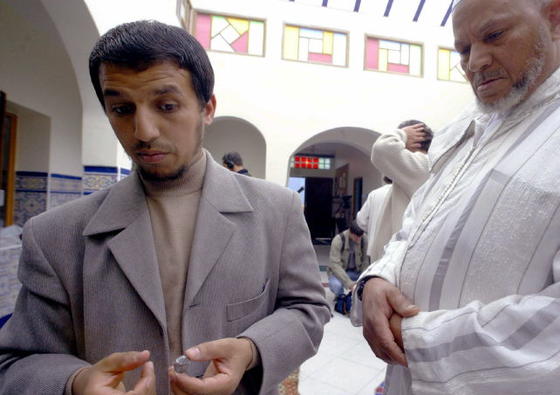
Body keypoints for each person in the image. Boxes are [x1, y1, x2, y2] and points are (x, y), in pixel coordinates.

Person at [354, 0, 560, 394]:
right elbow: (416, 227)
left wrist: (417, 338)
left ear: (555, 20)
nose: (476, 63)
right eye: (464, 50)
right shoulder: (459, 134)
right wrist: (379, 277)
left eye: (494, 36)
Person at [0, 21, 330, 395]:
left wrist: (251, 349)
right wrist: (75, 382)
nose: (144, 131)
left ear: (207, 109)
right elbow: (18, 361)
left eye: (167, 105)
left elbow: (308, 308)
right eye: (122, 108)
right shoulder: (55, 235)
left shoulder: (276, 210)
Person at [366, 120, 432, 263]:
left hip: (397, 261)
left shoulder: (423, 166)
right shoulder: (419, 168)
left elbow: (381, 149)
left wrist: (402, 134)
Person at [328, 221, 369, 297]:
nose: (358, 239)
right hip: (340, 272)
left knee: (369, 283)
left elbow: (365, 261)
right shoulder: (338, 240)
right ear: (350, 232)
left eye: (360, 236)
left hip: (356, 272)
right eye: (356, 237)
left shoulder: (364, 239)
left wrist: (363, 279)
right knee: (336, 285)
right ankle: (341, 297)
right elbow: (334, 265)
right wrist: (349, 284)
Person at [356, 177, 392, 260]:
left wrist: (372, 229)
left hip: (375, 246)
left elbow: (361, 220)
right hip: (397, 248)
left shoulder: (374, 194)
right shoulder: (406, 193)